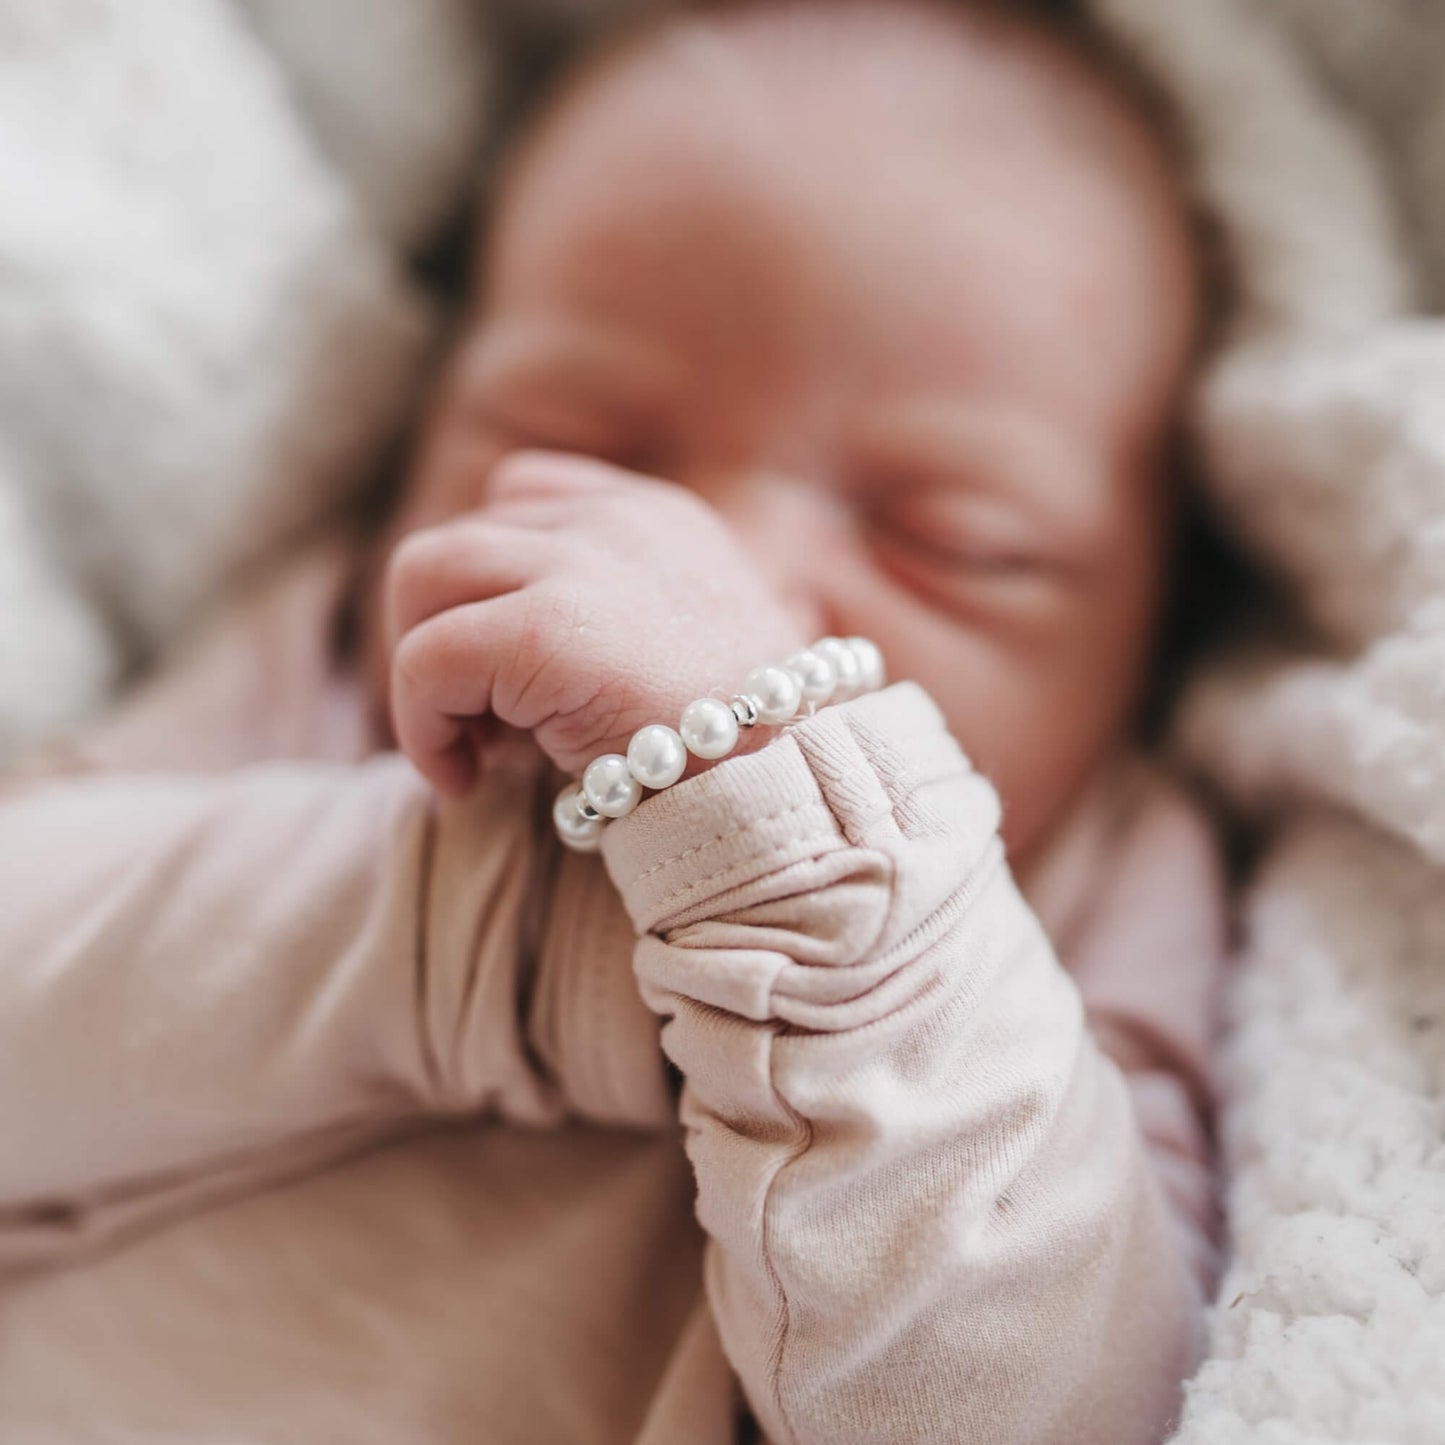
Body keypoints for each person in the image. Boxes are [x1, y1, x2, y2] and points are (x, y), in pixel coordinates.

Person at [0, 3, 1225, 1441]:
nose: (713, 567)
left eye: (945, 538)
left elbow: (1077, 1413)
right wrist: (515, 934)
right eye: (580, 444)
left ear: (1153, 628)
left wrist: (814, 909)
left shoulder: (1107, 871)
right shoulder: (334, 662)